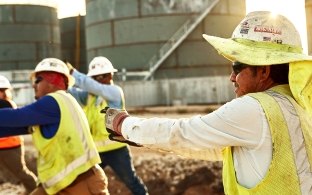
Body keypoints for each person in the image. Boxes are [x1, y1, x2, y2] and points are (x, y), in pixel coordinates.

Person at [104, 11, 312, 194]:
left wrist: (124, 123)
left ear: (264, 71)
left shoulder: (255, 109)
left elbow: (183, 133)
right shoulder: (296, 107)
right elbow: (219, 149)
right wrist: (141, 138)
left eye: (237, 67)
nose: (231, 77)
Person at [0, 58, 109, 195]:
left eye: (38, 80)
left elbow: (17, 117)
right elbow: (12, 127)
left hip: (82, 182)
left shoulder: (54, 101)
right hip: (59, 184)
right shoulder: (51, 111)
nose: (34, 85)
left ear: (53, 80)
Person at [67, 56, 148, 195]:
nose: (99, 80)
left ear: (110, 75)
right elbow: (70, 93)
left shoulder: (114, 93)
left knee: (131, 181)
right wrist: (60, 81)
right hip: (96, 151)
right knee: (85, 182)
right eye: (95, 77)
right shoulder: (89, 96)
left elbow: (95, 87)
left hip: (117, 149)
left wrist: (73, 73)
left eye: (102, 76)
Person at [0, 75, 37, 194]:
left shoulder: (7, 105)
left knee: (21, 172)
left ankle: (37, 190)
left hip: (10, 147)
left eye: (2, 90)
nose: (1, 93)